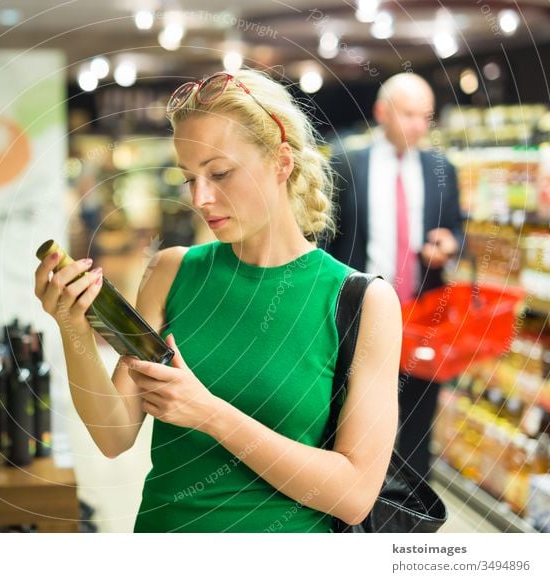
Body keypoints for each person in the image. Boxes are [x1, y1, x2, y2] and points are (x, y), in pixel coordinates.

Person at [35, 69, 401, 532]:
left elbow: (354, 495)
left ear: (281, 162)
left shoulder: (362, 302)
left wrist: (209, 414)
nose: (201, 198)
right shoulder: (172, 272)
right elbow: (113, 435)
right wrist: (73, 327)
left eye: (220, 173)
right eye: (189, 178)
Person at [325, 73, 462, 480]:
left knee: (419, 420)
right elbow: (327, 238)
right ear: (381, 113)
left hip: (423, 316)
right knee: (355, 413)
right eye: (409, 115)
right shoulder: (345, 162)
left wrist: (450, 243)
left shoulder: (443, 169)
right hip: (360, 315)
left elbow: (456, 227)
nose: (420, 126)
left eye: (426, 116)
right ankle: (355, 498)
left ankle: (411, 509)